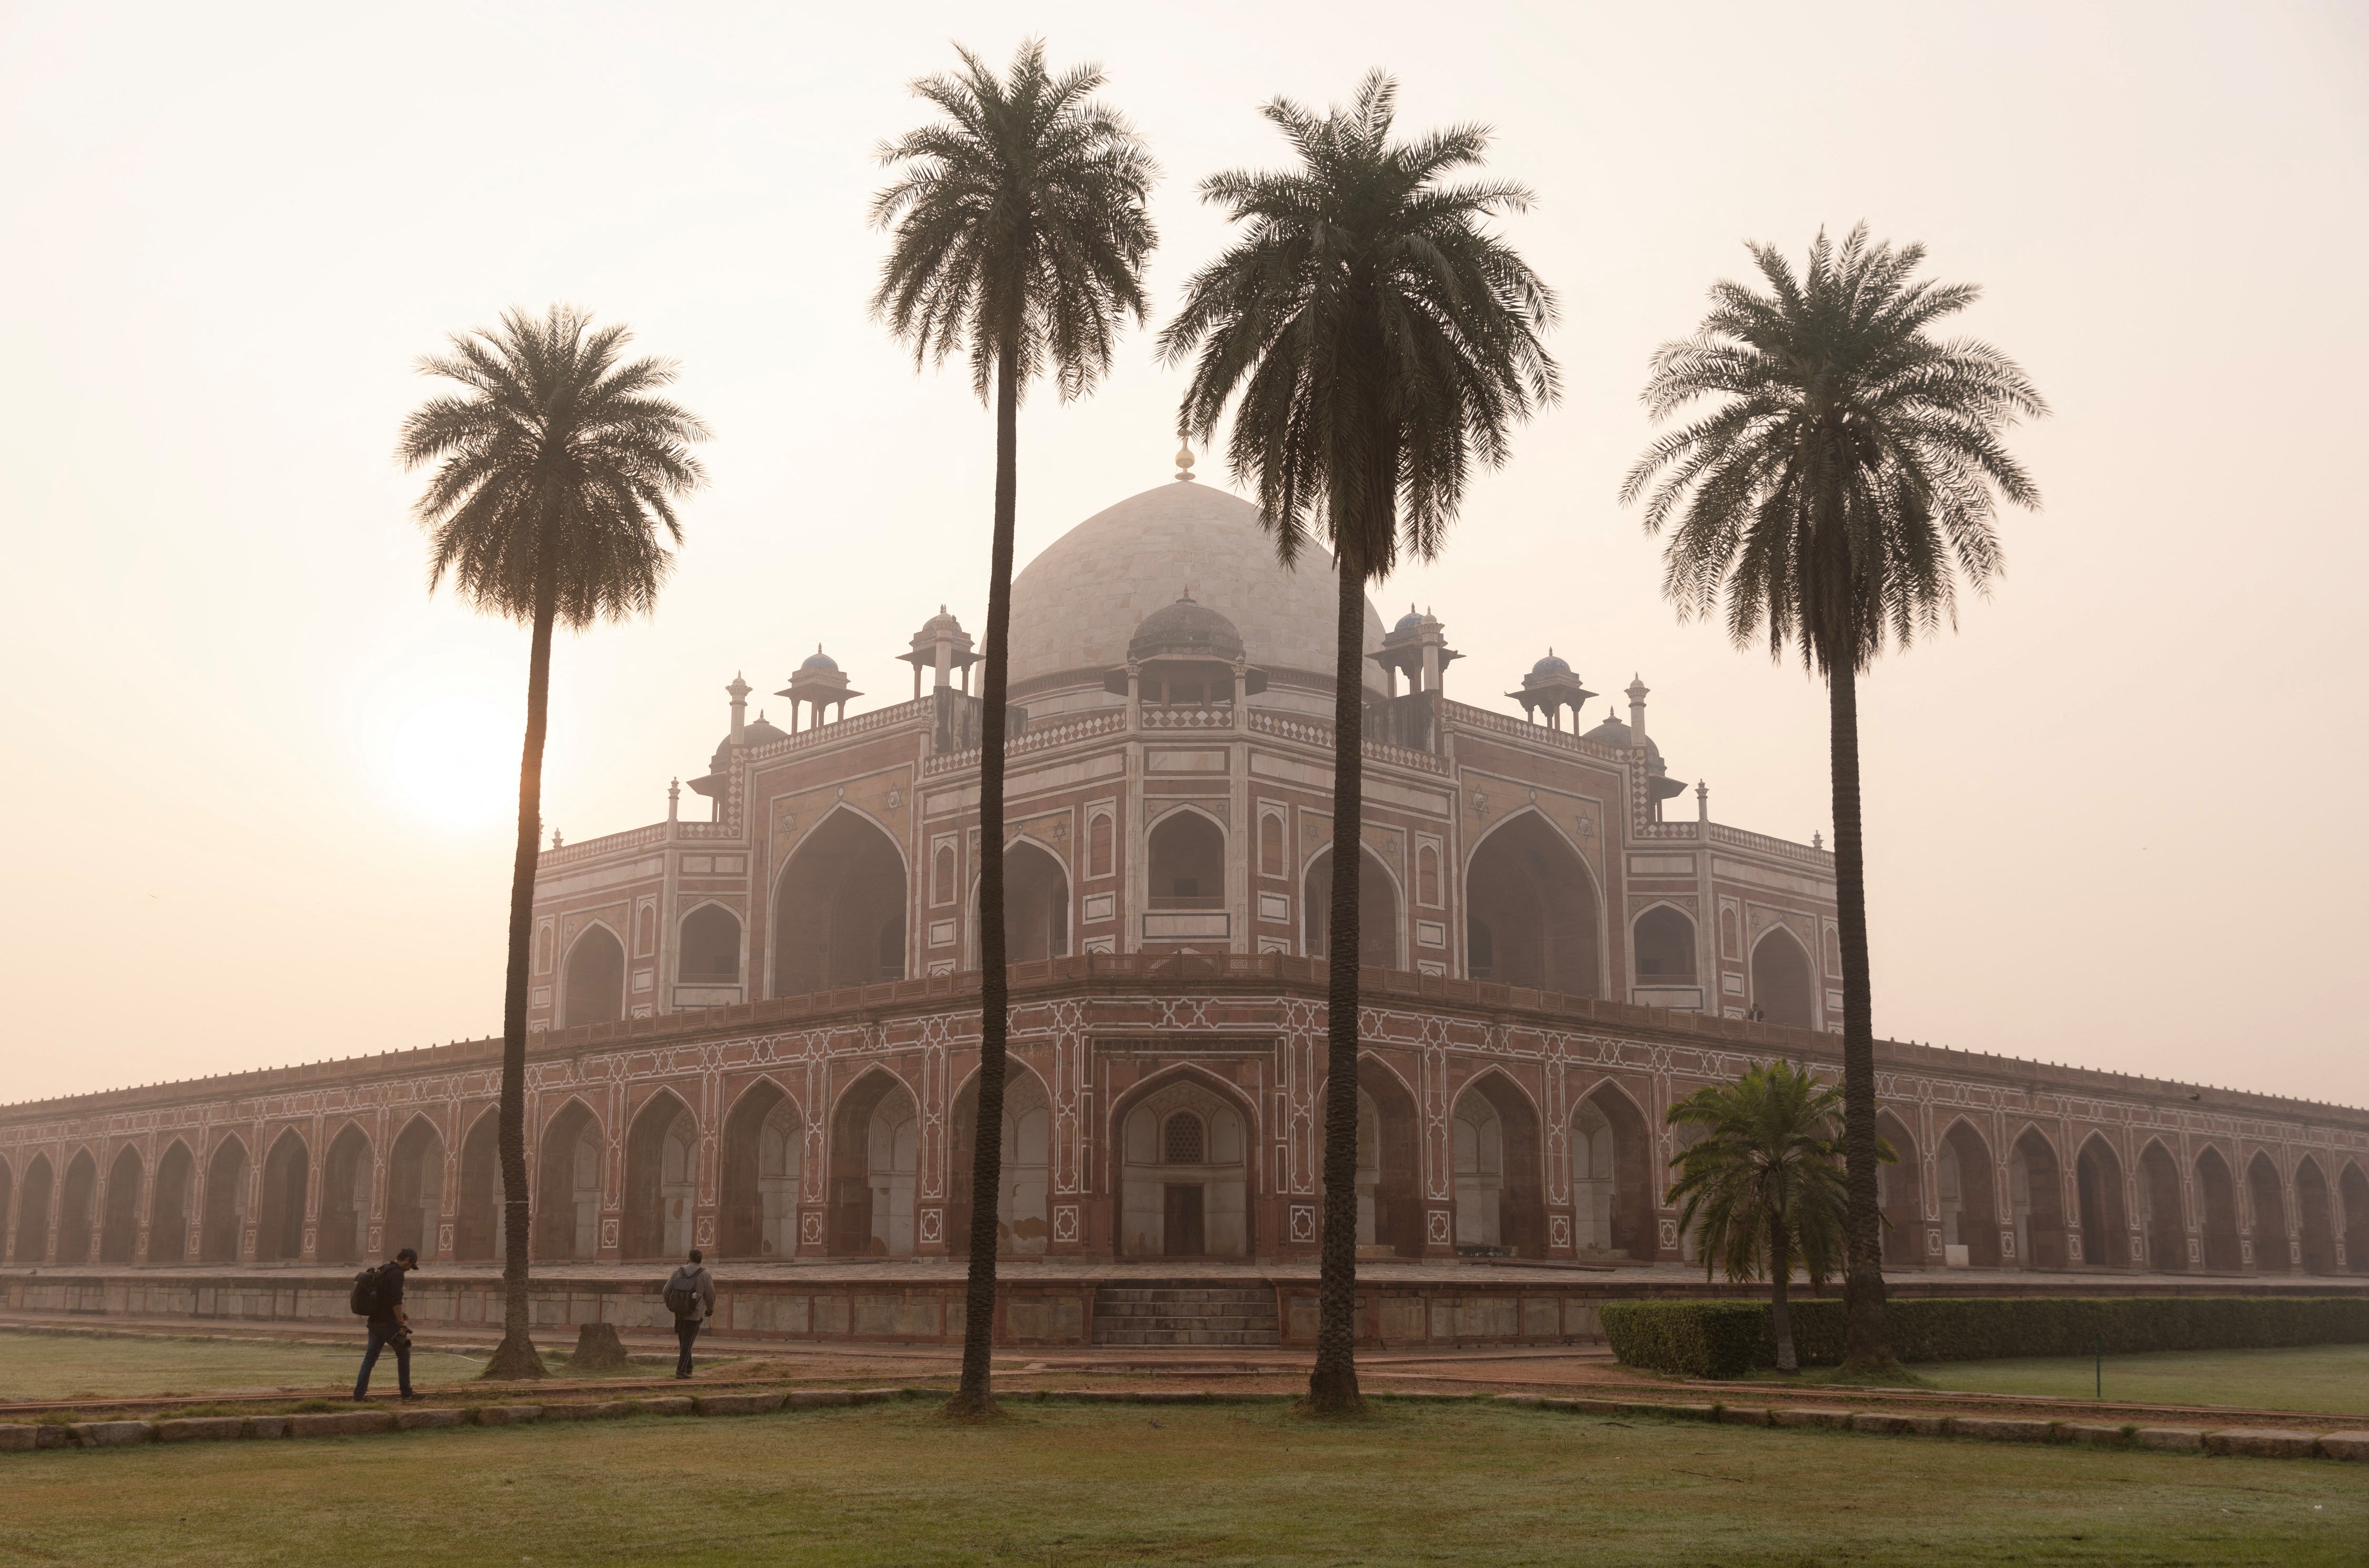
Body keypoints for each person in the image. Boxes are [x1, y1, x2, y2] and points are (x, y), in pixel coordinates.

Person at [353, 1246, 424, 1402]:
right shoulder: (397, 1273)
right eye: (410, 1266)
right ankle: (407, 1394)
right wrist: (401, 1324)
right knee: (404, 1354)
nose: (409, 1270)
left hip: (375, 1322)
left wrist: (400, 1313)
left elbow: (385, 1298)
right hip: (387, 1323)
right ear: (407, 1261)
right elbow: (395, 1301)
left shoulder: (384, 1269)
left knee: (369, 1359)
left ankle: (358, 1396)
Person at [663, 1248, 715, 1379]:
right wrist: (710, 1309)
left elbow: (666, 1291)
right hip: (695, 1313)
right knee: (688, 1341)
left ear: (689, 1258)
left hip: (680, 1312)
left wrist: (670, 1304)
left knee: (684, 1341)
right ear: (700, 1259)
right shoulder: (705, 1274)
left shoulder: (678, 1271)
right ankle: (681, 1370)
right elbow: (710, 1295)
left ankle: (689, 1367)